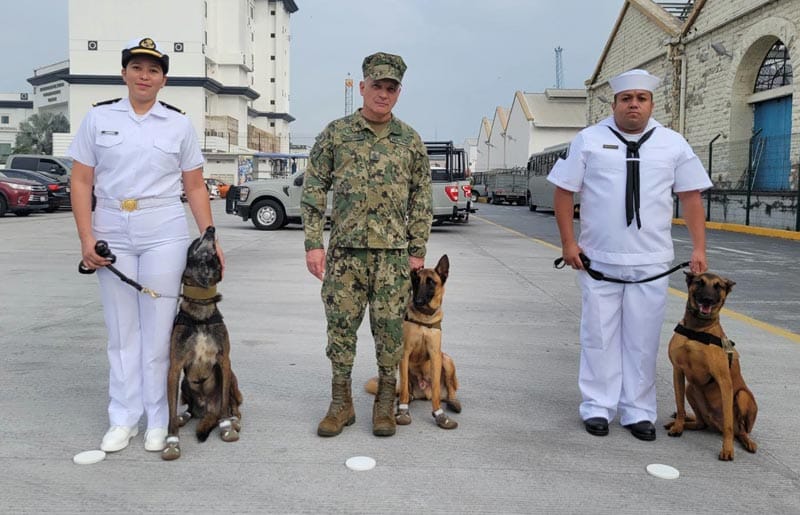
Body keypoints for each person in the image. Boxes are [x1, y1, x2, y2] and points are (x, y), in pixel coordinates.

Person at [67, 37, 224, 454]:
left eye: (153, 70)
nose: (144, 76)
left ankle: (159, 418)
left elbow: (195, 186)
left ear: (163, 80)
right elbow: (81, 180)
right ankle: (123, 417)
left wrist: (210, 238)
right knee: (121, 332)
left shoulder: (178, 124)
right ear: (124, 74)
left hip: (163, 229)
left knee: (158, 334)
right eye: (137, 68)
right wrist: (86, 237)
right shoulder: (98, 118)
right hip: (112, 228)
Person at [548, 69, 712, 441]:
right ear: (615, 104)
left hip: (651, 262)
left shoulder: (672, 143)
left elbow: (690, 197)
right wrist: (568, 243)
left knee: (642, 340)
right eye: (626, 99)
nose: (633, 105)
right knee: (598, 337)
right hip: (598, 261)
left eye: (641, 98)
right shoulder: (590, 140)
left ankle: (638, 411)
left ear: (652, 104)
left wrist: (699, 247)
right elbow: (563, 191)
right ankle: (597, 406)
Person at [301, 52, 432, 438]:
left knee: (390, 333)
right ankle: (340, 404)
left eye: (391, 88)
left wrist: (417, 249)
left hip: (393, 258)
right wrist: (313, 243)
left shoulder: (409, 140)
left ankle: (385, 405)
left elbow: (421, 197)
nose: (383, 94)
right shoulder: (336, 134)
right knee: (340, 330)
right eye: (377, 86)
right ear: (363, 87)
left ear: (398, 92)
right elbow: (314, 188)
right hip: (345, 255)